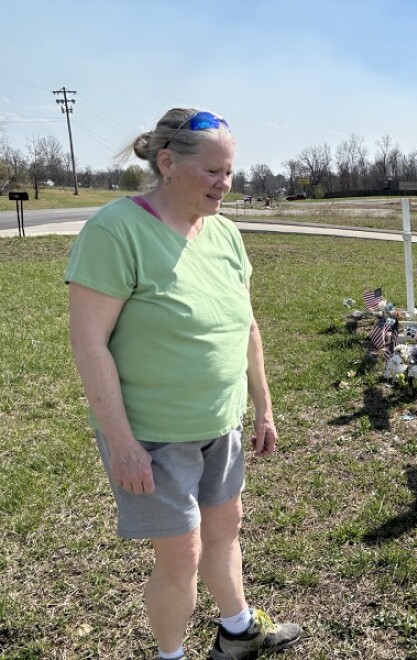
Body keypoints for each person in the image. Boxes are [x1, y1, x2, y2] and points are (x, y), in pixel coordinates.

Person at [65, 108, 302, 660]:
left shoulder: (225, 234)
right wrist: (121, 443)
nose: (226, 183)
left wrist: (262, 407)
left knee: (226, 530)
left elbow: (246, 325)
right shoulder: (115, 231)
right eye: (214, 172)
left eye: (230, 170)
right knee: (183, 555)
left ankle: (237, 631)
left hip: (220, 423)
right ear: (168, 164)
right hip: (153, 434)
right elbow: (89, 343)